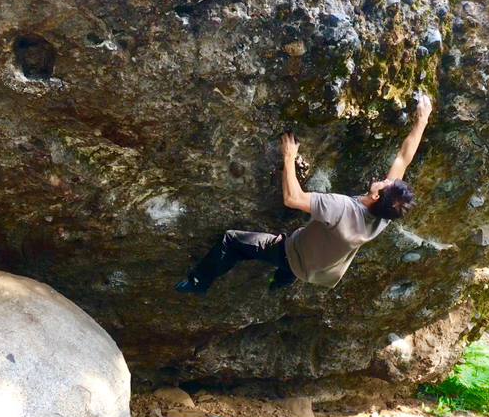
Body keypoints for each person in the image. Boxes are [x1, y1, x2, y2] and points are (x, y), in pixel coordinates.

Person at [175, 95, 433, 295]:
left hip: (291, 252)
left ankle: (199, 281)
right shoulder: (386, 214)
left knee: (231, 241)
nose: (385, 179)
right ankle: (281, 281)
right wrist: (422, 120)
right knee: (293, 261)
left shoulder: (340, 207)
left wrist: (289, 158)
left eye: (385, 183)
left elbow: (293, 199)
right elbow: (403, 157)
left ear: (377, 196)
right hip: (319, 268)